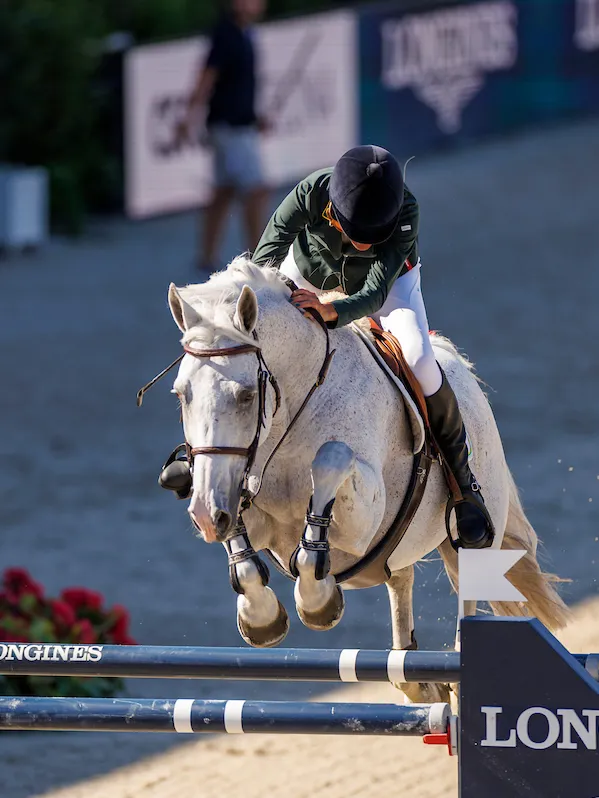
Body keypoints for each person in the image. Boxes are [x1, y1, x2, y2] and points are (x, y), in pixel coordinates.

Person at [250, 145, 493, 549]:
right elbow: (265, 255)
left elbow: (374, 292)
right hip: (308, 274)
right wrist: (265, 298)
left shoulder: (407, 211)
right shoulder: (313, 191)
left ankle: (464, 485)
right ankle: (201, 451)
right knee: (258, 336)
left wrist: (333, 312)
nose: (363, 244)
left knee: (420, 360)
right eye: (355, 233)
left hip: (391, 288)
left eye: (371, 237)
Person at [181, 0, 269, 272]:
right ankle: (261, 259)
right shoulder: (226, 34)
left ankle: (206, 256)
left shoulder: (244, 34)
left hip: (238, 125)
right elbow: (207, 78)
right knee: (256, 190)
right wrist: (188, 116)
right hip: (229, 128)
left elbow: (236, 87)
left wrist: (256, 117)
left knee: (223, 192)